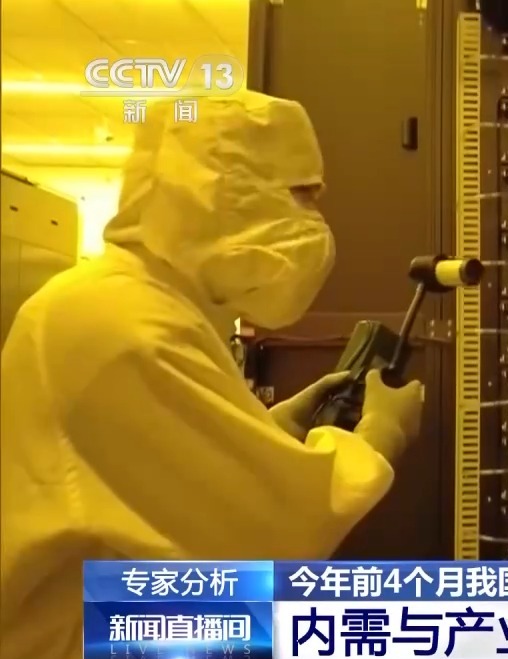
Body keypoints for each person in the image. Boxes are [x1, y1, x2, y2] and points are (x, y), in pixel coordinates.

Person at [0, 91, 424, 658]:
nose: (314, 222)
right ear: (217, 190)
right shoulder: (124, 321)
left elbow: (151, 476)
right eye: (301, 195)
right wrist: (379, 436)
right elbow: (267, 532)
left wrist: (267, 430)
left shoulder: (133, 302)